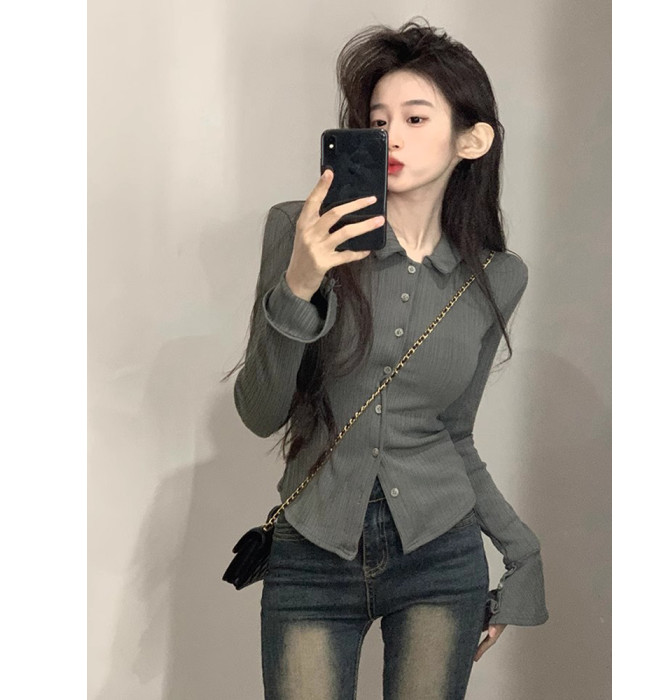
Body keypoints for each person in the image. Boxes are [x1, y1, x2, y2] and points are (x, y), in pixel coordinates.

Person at [225, 17, 549, 700]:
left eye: (415, 117)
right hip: (313, 549)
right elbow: (259, 412)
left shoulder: (497, 276)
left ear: (472, 139)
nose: (390, 136)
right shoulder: (298, 231)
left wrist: (523, 553)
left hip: (440, 553)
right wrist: (299, 283)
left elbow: (454, 435)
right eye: (377, 121)